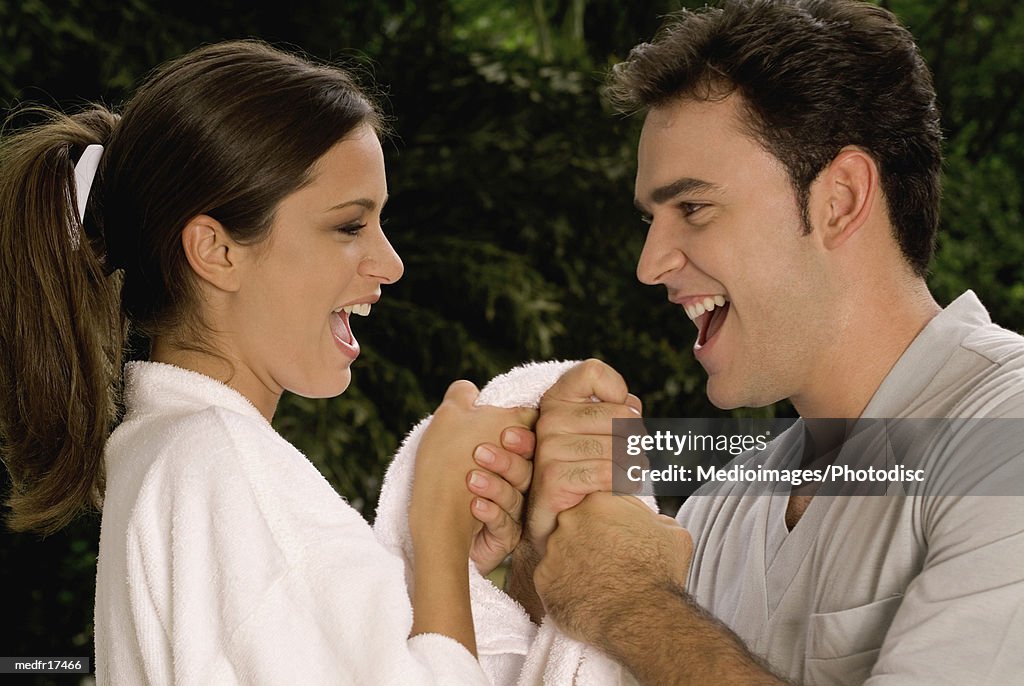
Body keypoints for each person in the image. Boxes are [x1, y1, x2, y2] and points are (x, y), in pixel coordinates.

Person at [511, 1, 1024, 685]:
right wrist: (538, 556)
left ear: (839, 199)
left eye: (692, 207)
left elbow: (637, 613)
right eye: (652, 218)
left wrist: (627, 601)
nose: (650, 262)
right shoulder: (724, 504)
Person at [0, 40, 540, 684]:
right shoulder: (229, 471)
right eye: (348, 226)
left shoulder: (166, 455)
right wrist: (440, 532)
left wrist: (439, 564)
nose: (390, 263)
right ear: (216, 251)